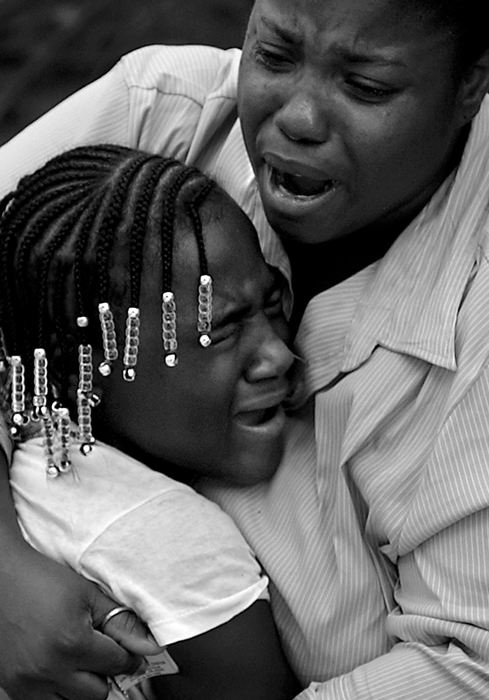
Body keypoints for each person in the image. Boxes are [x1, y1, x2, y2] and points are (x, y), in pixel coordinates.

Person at [1, 0, 489, 697]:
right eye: (274, 54)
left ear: (471, 83)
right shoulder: (167, 113)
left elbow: (467, 665)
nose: (298, 119)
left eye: (365, 87)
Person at [0, 144, 298, 700]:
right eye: (223, 331)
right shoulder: (174, 545)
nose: (278, 356)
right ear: (82, 371)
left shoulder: (39, 445)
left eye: (274, 303)